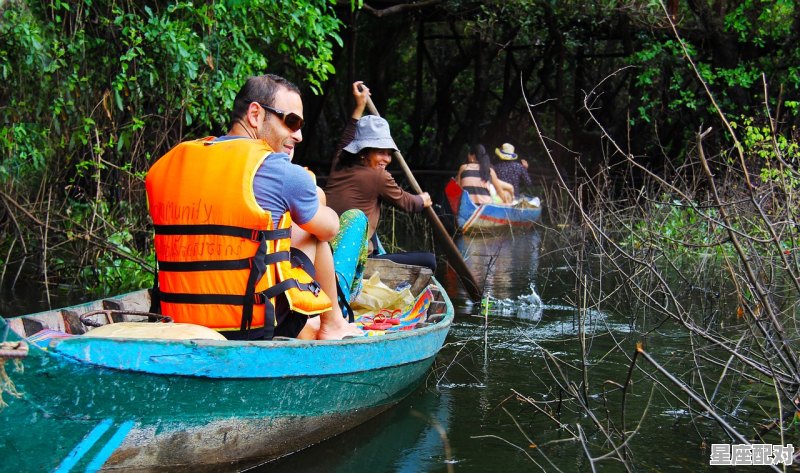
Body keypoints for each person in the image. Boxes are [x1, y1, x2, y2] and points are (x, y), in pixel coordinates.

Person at [145, 73, 362, 341]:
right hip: (252, 324)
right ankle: (334, 325)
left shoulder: (170, 163)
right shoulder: (280, 170)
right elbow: (329, 229)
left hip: (176, 317)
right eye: (292, 122)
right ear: (256, 114)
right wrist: (315, 195)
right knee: (314, 233)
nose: (299, 135)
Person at [325, 81, 437, 271]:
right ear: (363, 152)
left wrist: (360, 105)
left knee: (373, 238)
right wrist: (423, 200)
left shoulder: (339, 162)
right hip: (351, 259)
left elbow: (347, 135)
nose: (386, 159)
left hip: (327, 251)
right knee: (430, 261)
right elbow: (407, 203)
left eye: (388, 153)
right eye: (380, 152)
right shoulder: (379, 177)